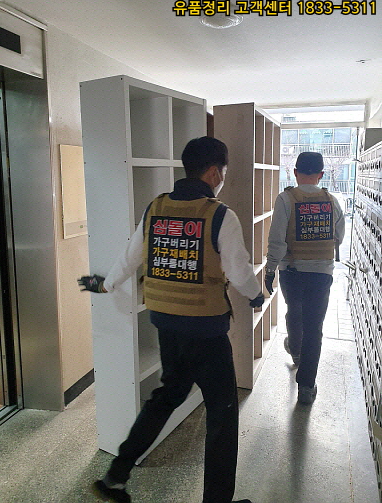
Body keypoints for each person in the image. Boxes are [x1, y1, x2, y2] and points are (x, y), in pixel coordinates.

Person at [78, 136, 264, 503]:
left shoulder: (156, 208)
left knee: (167, 396)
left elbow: (131, 256)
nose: (222, 179)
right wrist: (256, 296)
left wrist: (105, 284)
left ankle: (115, 477)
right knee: (223, 412)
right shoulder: (220, 215)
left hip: (166, 324)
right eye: (223, 173)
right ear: (214, 173)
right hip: (205, 330)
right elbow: (238, 271)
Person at [264, 151, 345, 405]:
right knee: (314, 328)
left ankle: (296, 351)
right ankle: (307, 387)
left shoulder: (286, 199)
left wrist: (270, 269)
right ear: (321, 174)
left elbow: (277, 239)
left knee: (294, 311)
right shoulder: (332, 201)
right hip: (321, 274)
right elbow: (339, 236)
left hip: (292, 271)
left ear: (295, 172)